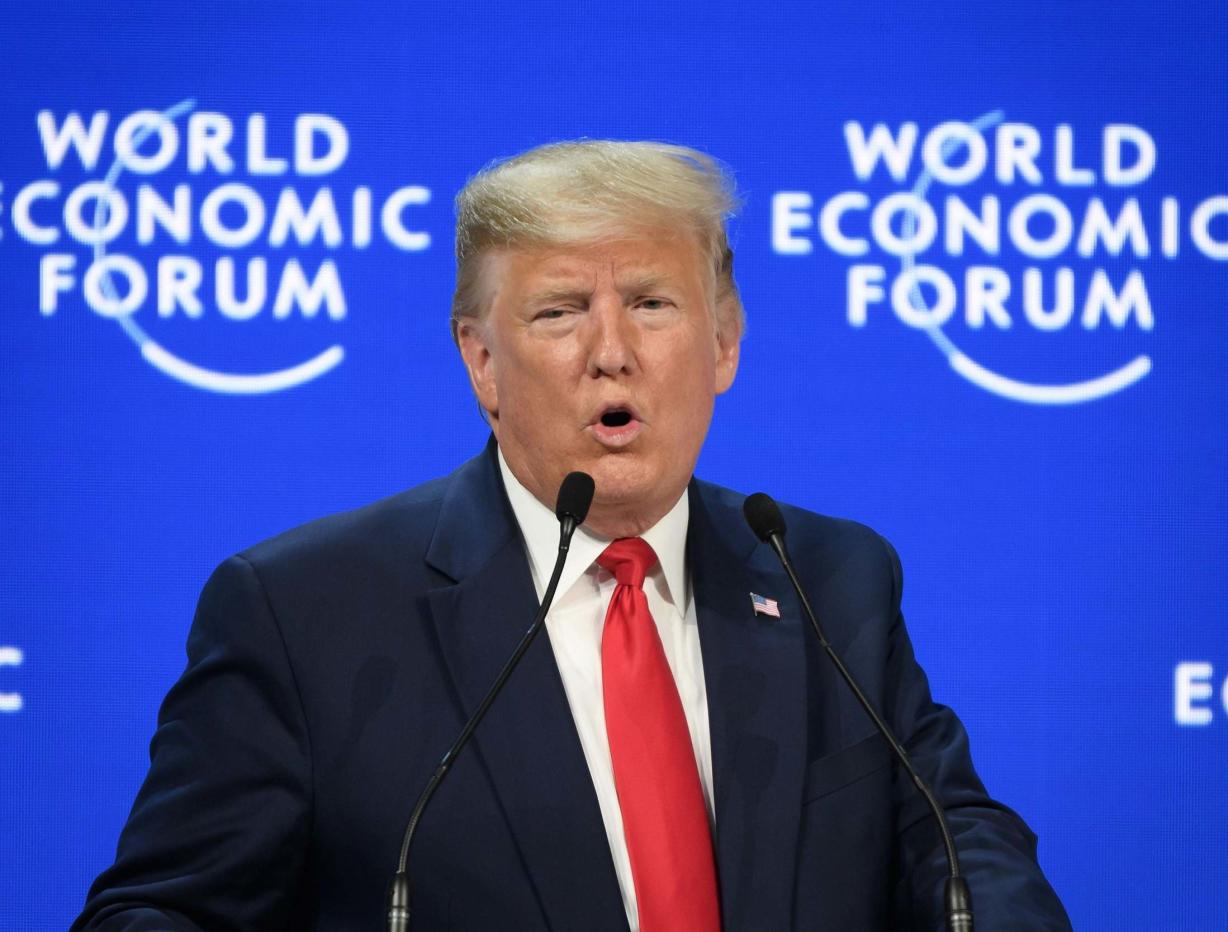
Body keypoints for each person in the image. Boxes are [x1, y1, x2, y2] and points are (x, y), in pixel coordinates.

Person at [75, 141, 1070, 930]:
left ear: (723, 340)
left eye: (650, 303)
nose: (611, 354)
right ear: (482, 363)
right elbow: (160, 909)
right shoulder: (303, 609)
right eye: (559, 311)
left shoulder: (826, 576)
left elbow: (955, 838)